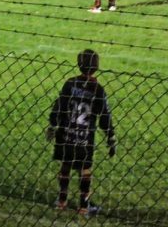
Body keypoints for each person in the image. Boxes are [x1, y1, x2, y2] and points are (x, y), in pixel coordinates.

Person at [46, 49, 117, 216]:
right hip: (84, 138)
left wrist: (52, 125)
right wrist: (110, 137)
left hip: (65, 134)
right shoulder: (98, 89)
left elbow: (60, 105)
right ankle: (84, 206)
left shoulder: (70, 84)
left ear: (78, 64)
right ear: (97, 67)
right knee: (85, 169)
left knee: (66, 164)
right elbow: (104, 116)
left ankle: (61, 200)